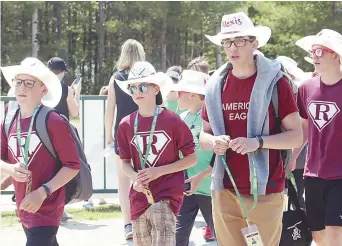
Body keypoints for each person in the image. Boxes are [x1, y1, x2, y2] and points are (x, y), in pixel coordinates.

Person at [200, 12, 302, 245]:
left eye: (239, 41)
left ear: (254, 43)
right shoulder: (216, 84)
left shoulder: (278, 82)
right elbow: (203, 135)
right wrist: (213, 142)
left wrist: (258, 142)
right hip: (224, 186)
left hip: (266, 188)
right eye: (227, 42)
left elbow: (296, 136)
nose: (232, 47)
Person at [0, 57, 80, 246]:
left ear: (43, 89)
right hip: (24, 206)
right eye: (18, 82)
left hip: (47, 209)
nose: (21, 88)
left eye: (29, 83)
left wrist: (43, 191)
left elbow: (72, 166)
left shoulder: (53, 121)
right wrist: (10, 170)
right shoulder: (9, 119)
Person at [116, 61, 196, 246]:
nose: (137, 92)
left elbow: (191, 158)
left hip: (166, 195)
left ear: (156, 89)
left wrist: (159, 171)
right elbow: (124, 162)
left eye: (142, 86)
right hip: (139, 197)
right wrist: (136, 177)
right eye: (132, 88)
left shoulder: (172, 120)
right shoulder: (126, 124)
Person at [293, 29, 342, 246]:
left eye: (321, 51)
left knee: (334, 235)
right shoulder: (305, 87)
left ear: (336, 55)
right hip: (312, 174)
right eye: (313, 51)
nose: (315, 55)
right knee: (319, 237)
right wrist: (291, 158)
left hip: (340, 176)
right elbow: (303, 129)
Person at [104, 39, 145, 239]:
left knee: (123, 180)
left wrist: (108, 136)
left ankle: (128, 224)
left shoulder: (116, 77)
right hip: (145, 131)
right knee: (146, 175)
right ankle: (144, 219)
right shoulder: (147, 76)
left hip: (122, 132)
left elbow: (110, 109)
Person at [171, 70, 216, 245]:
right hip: (186, 188)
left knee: (224, 236)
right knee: (176, 238)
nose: (176, 97)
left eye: (180, 93)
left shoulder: (213, 118)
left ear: (192, 94)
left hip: (211, 188)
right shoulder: (180, 118)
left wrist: (202, 175)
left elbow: (223, 155)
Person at [47, 57, 81, 222]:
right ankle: (60, 208)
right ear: (61, 73)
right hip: (61, 133)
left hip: (41, 132)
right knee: (62, 170)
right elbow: (74, 113)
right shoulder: (65, 89)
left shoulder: (41, 87)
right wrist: (76, 93)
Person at [276, 56, 310, 210]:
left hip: (297, 155)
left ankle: (300, 231)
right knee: (289, 199)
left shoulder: (296, 91)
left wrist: (293, 156)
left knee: (295, 199)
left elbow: (305, 126)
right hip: (288, 154)